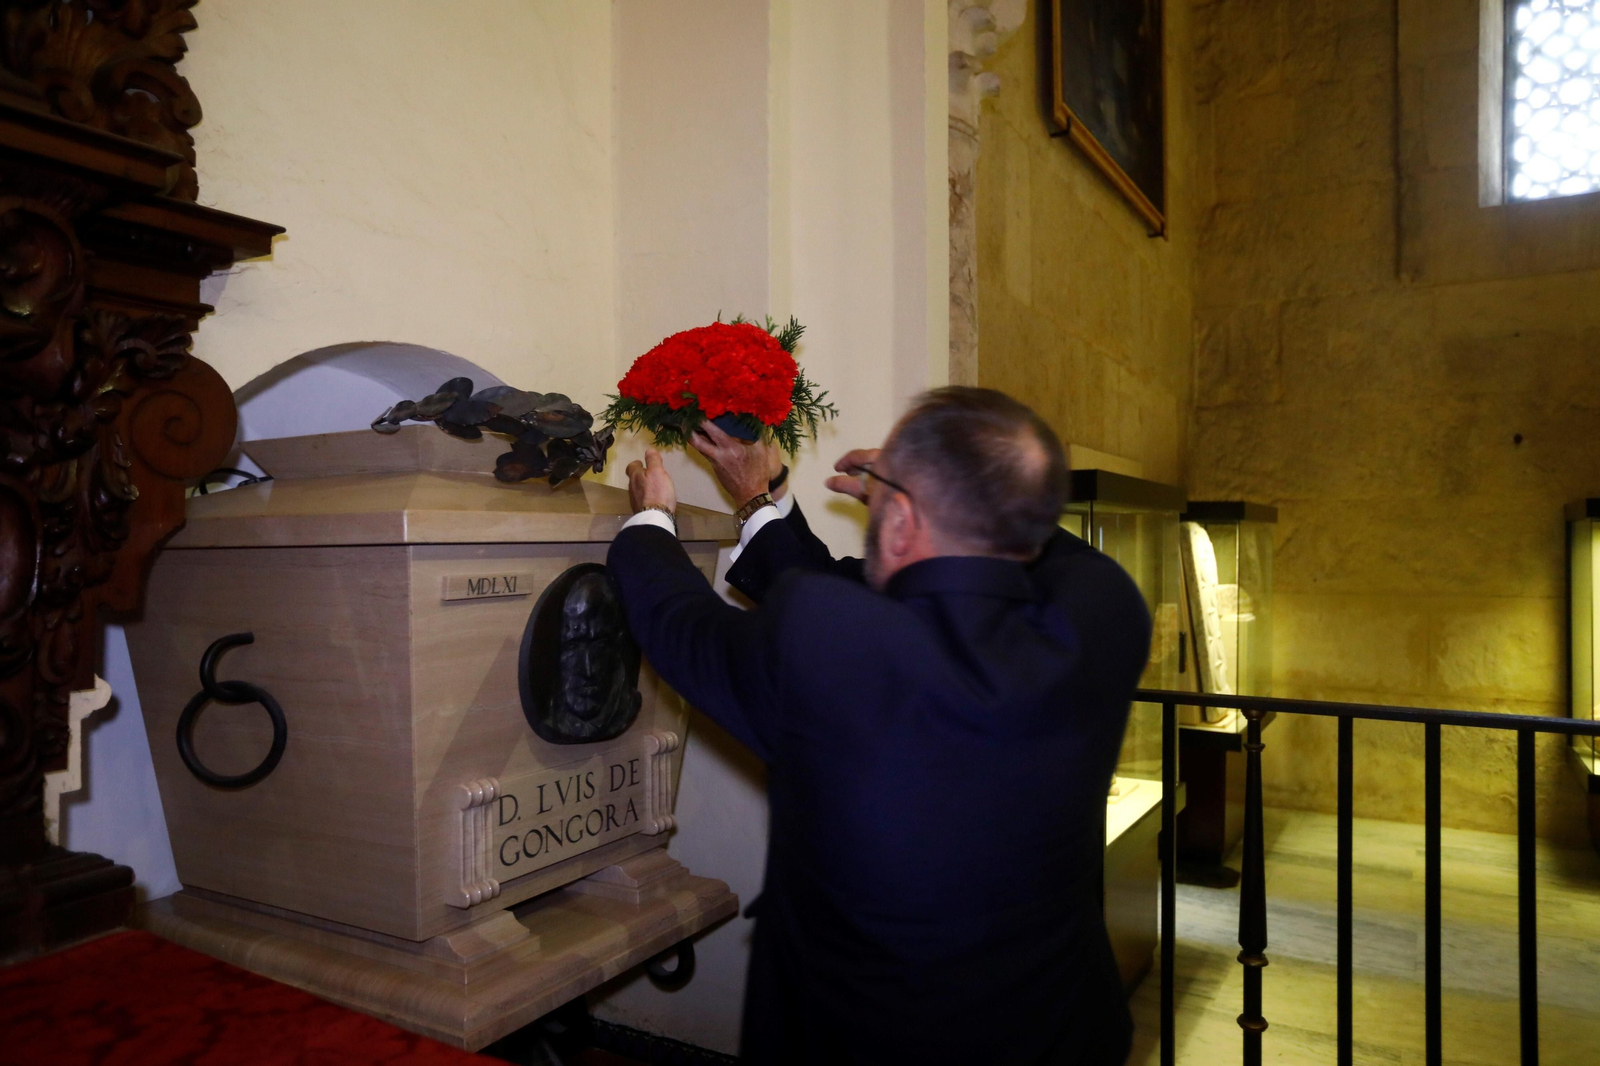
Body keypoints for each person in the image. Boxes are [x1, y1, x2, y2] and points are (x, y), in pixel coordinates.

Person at [607, 387, 1151, 1065]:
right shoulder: (1105, 615)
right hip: (1061, 1032)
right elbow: (1030, 551)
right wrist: (936, 488)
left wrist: (652, 519)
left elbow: (678, 622)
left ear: (898, 523)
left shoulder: (830, 640)